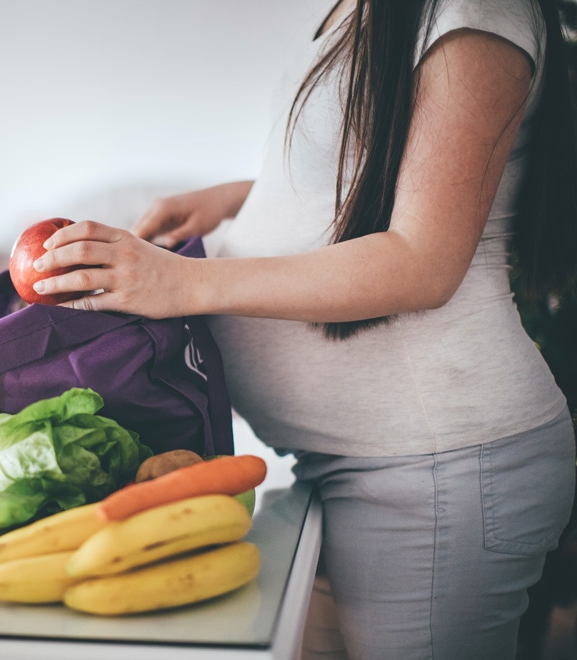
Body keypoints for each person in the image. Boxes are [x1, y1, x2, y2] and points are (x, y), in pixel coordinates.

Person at [29, 0, 577, 658]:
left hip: (434, 469)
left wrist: (180, 283)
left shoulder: (476, 13)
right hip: (350, 464)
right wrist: (235, 198)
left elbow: (424, 261)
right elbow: (379, 162)